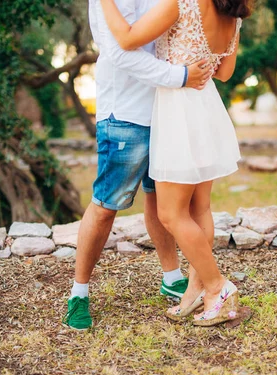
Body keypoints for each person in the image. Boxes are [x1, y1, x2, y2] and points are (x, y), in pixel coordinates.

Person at [62, 0, 215, 330]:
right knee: (105, 206)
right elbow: (119, 51)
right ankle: (79, 294)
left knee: (159, 199)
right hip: (126, 114)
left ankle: (172, 277)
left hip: (167, 109)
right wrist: (181, 76)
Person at [100, 0, 251, 326]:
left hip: (178, 111)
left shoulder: (181, 4)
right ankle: (195, 291)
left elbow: (126, 40)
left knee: (170, 213)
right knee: (200, 209)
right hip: (207, 107)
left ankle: (217, 287)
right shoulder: (233, 15)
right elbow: (224, 73)